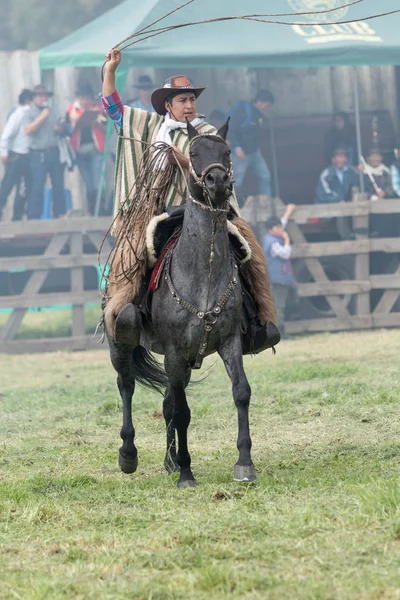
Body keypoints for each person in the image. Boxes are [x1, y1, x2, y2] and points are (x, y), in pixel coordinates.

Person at [101, 48, 277, 345]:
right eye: (182, 100)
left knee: (250, 250)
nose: (189, 105)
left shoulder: (207, 132)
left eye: (192, 99)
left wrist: (183, 161)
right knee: (128, 256)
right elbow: (113, 109)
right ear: (168, 105)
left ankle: (259, 320)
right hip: (153, 212)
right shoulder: (146, 125)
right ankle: (122, 317)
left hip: (205, 210)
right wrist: (110, 71)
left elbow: (218, 171)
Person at [23, 84, 66, 219]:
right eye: (40, 96)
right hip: (38, 154)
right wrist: (41, 117)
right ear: (34, 97)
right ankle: (34, 216)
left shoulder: (54, 111)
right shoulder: (29, 112)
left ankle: (60, 213)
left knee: (58, 184)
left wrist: (60, 128)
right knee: (37, 186)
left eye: (45, 96)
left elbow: (62, 127)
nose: (43, 98)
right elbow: (28, 130)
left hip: (54, 151)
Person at [65, 82, 107, 214]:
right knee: (89, 184)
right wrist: (76, 123)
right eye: (82, 97)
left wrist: (96, 124)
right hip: (79, 152)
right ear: (77, 98)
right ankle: (92, 210)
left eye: (86, 97)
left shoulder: (98, 110)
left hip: (95, 150)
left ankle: (98, 211)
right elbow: (67, 131)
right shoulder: (71, 110)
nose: (84, 100)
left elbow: (107, 129)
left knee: (96, 182)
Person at [228, 90, 275, 200]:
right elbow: (230, 130)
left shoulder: (259, 115)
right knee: (236, 181)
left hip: (254, 153)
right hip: (241, 154)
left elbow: (254, 134)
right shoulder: (243, 111)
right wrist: (237, 148)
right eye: (266, 105)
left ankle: (266, 202)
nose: (266, 108)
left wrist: (257, 147)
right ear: (259, 101)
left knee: (265, 176)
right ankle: (233, 204)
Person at [263, 204, 296, 338]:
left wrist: (288, 211)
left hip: (280, 278)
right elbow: (285, 254)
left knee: (280, 303)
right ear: (271, 230)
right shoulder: (273, 243)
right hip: (278, 279)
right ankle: (280, 333)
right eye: (278, 228)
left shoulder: (271, 237)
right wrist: (287, 240)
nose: (281, 229)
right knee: (279, 305)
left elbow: (281, 223)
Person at [0, 89, 33, 221]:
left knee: (23, 189)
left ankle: (17, 217)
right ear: (28, 101)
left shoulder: (31, 114)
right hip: (15, 156)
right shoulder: (18, 114)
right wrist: (4, 152)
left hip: (26, 156)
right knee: (7, 186)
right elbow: (6, 135)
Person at [315, 147, 359, 240]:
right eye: (339, 156)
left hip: (347, 206)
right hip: (327, 208)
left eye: (343, 157)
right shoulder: (326, 174)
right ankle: (348, 237)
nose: (342, 159)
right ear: (333, 159)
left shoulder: (351, 172)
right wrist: (339, 200)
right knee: (341, 210)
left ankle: (362, 234)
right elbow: (323, 194)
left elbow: (357, 184)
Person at [362, 147, 398, 238]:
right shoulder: (363, 173)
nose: (375, 158)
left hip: (386, 207)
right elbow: (362, 189)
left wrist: (384, 193)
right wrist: (372, 197)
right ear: (367, 158)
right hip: (369, 207)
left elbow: (392, 186)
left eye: (377, 156)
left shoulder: (386, 172)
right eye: (372, 156)